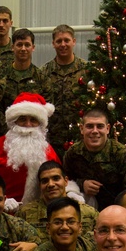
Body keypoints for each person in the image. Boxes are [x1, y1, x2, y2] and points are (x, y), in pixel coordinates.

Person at [0, 92, 59, 206]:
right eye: (22, 119)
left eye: (33, 120)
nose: (28, 124)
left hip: (38, 216)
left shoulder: (48, 152)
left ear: (40, 124)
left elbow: (59, 182)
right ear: (14, 122)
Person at [62, 108, 126, 210]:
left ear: (107, 129)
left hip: (119, 210)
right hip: (83, 210)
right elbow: (64, 182)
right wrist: (82, 184)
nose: (94, 131)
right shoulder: (73, 154)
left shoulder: (123, 154)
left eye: (100, 126)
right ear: (81, 129)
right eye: (89, 126)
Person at [41, 25, 87, 161]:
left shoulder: (86, 70)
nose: (63, 44)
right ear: (53, 44)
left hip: (79, 137)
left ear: (74, 41)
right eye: (59, 41)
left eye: (66, 40)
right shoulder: (44, 72)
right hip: (52, 138)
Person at [17, 160, 98, 237]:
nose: (51, 184)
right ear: (40, 185)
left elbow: (104, 240)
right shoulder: (25, 214)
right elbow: (5, 242)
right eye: (45, 181)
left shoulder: (88, 213)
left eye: (56, 178)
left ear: (66, 181)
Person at [0, 29, 51, 132]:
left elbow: (46, 110)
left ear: (33, 48)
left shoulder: (41, 77)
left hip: (34, 132)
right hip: (7, 133)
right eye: (19, 45)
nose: (23, 49)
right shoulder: (2, 76)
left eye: (27, 45)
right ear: (12, 47)